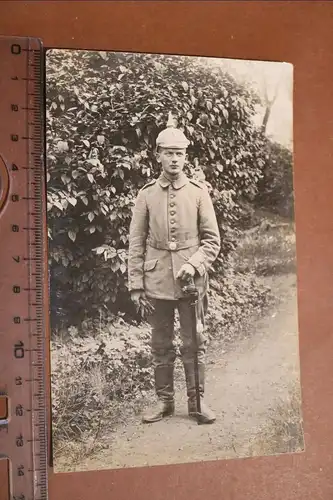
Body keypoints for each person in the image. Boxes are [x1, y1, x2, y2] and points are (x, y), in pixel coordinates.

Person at [128, 115, 221, 424]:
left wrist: (193, 264)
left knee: (194, 342)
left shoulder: (198, 193)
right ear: (158, 155)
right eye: (168, 152)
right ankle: (164, 403)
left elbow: (212, 241)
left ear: (186, 157)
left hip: (191, 283)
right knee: (161, 343)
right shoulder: (146, 195)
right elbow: (136, 243)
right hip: (157, 281)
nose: (174, 159)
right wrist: (136, 284)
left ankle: (197, 405)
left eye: (179, 153)